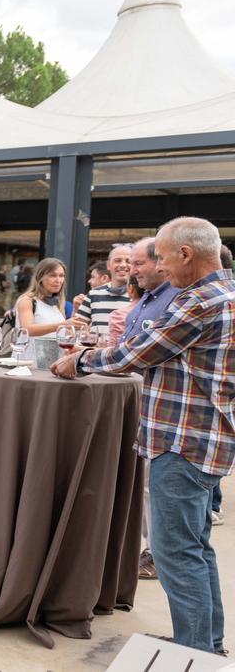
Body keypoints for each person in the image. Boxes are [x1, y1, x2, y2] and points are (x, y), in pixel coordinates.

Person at [52, 217, 234, 654]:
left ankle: (196, 653)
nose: (161, 268)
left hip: (183, 441)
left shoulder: (200, 300)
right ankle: (205, 643)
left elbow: (137, 352)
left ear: (187, 254)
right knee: (195, 548)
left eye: (164, 258)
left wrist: (79, 361)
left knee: (176, 554)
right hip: (203, 439)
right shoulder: (224, 292)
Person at [116, 237, 182, 580]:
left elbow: (141, 353)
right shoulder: (149, 298)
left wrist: (85, 360)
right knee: (142, 482)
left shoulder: (177, 300)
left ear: (161, 262)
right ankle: (148, 548)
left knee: (153, 482)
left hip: (160, 404)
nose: (131, 269)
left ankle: (156, 554)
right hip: (138, 395)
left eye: (138, 263)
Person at [14, 258, 74, 341]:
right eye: (53, 275)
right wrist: (62, 325)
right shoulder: (27, 300)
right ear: (40, 277)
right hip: (30, 353)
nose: (58, 280)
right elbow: (27, 329)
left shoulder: (57, 303)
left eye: (61, 276)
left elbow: (63, 336)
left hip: (54, 353)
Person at [74, 246, 132, 330]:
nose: (123, 265)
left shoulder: (142, 295)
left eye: (128, 261)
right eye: (117, 260)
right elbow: (76, 328)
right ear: (108, 265)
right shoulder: (93, 294)